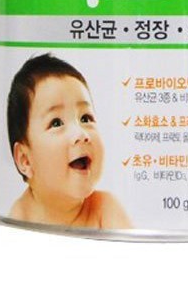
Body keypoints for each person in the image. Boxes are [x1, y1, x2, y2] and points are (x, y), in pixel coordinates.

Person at [7, 53, 131, 229]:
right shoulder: (20, 217)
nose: (81, 134)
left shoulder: (105, 209)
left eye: (86, 118)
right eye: (56, 123)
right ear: (25, 160)